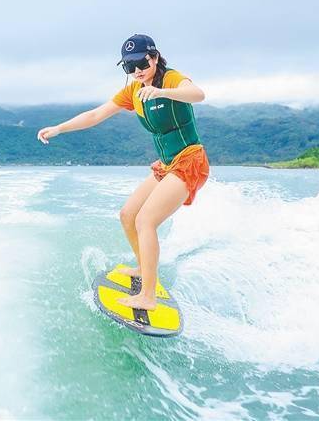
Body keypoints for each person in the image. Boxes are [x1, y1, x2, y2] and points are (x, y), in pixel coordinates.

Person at [37, 34, 209, 311]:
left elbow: (198, 94)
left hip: (190, 160)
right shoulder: (133, 91)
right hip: (166, 164)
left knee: (146, 220)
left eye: (142, 63)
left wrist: (162, 92)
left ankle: (148, 297)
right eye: (129, 66)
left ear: (155, 57)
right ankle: (143, 268)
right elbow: (96, 115)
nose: (137, 70)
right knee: (128, 215)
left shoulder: (171, 79)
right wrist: (59, 129)